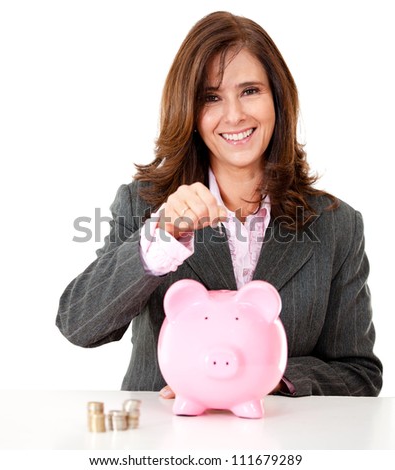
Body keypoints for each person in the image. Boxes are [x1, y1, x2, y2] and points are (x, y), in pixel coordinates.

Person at [56, 11, 382, 397]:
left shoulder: (336, 224)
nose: (234, 115)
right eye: (211, 97)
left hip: (280, 444)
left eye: (250, 91)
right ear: (190, 112)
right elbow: (80, 326)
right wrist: (160, 239)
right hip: (164, 442)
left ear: (277, 99)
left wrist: (269, 377)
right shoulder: (144, 204)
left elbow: (359, 374)